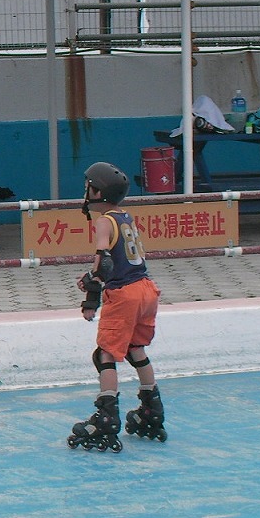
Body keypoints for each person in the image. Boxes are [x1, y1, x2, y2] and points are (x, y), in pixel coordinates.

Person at [67, 161, 166, 451]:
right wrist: (92, 280)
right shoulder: (125, 217)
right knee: (136, 349)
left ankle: (106, 418)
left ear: (97, 192)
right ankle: (151, 410)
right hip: (146, 289)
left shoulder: (103, 221)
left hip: (124, 295)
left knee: (105, 354)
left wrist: (90, 293)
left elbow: (105, 263)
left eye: (88, 187)